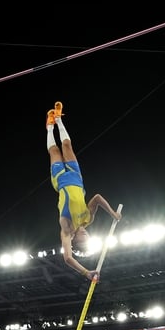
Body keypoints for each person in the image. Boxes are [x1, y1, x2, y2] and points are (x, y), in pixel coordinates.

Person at [46, 101, 122, 282]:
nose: (86, 236)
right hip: (76, 177)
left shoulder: (66, 229)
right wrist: (112, 213)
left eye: (83, 240)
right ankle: (58, 119)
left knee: (55, 151)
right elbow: (97, 198)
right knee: (67, 146)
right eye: (88, 238)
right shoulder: (88, 219)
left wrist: (86, 273)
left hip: (60, 180)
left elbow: (67, 258)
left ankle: (49, 126)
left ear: (75, 241)